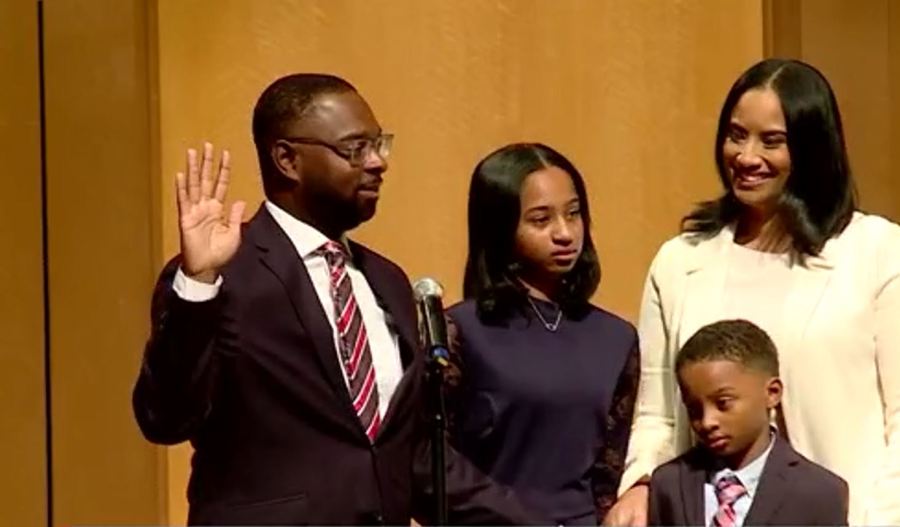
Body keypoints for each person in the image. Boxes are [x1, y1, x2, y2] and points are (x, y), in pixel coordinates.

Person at [132, 73, 539, 525]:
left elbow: (415, 457)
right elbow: (165, 418)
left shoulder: (387, 280)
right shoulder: (223, 274)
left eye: (379, 144)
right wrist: (199, 282)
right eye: (355, 149)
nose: (378, 162)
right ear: (287, 158)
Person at [604, 58, 900, 526]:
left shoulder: (877, 251)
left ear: (812, 148)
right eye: (736, 135)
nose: (746, 156)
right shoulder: (681, 261)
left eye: (772, 141)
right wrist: (640, 486)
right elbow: (657, 414)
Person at [445, 142, 640, 525]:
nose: (565, 233)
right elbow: (432, 463)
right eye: (540, 220)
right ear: (501, 228)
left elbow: (608, 476)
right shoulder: (460, 331)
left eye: (574, 214)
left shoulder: (616, 337)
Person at [648, 319, 848, 526]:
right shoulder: (669, 484)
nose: (707, 422)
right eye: (694, 409)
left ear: (772, 393)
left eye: (723, 403)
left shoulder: (818, 493)